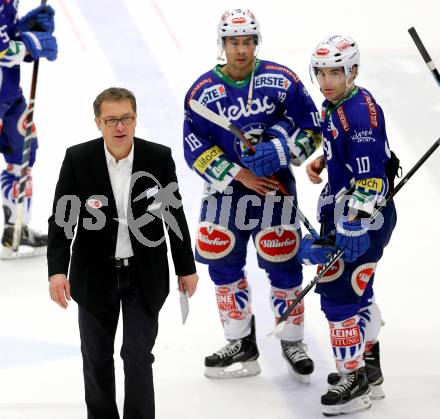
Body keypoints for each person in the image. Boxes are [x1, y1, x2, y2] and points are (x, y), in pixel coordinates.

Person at [183, 9, 322, 381]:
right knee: (222, 263)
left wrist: (281, 150)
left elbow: (312, 127)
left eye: (247, 41)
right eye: (233, 42)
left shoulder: (282, 80)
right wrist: (239, 173)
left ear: (256, 42)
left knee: (284, 263)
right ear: (222, 44)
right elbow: (194, 147)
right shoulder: (201, 93)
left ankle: (292, 341)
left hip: (275, 189)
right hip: (225, 194)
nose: (240, 49)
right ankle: (240, 341)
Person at [47, 87, 199, 419]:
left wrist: (185, 267)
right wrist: (57, 270)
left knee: (137, 355)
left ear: (135, 118)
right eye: (112, 120)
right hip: (93, 276)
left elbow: (172, 214)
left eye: (126, 118)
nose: (120, 127)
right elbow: (62, 219)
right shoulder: (78, 159)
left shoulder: (157, 158)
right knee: (97, 358)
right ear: (98, 122)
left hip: (143, 276)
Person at [298, 35, 398, 415]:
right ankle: (369, 368)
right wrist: (326, 161)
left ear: (352, 70)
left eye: (335, 72)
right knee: (359, 288)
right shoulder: (341, 103)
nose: (326, 80)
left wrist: (353, 225)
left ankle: (353, 380)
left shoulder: (357, 115)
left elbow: (371, 179)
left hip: (362, 217)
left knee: (339, 295)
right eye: (321, 72)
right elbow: (356, 153)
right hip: (355, 212)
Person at [0, 1, 57, 258]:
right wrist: (29, 44)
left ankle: (16, 228)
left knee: (22, 156)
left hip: (10, 96)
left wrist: (24, 30)